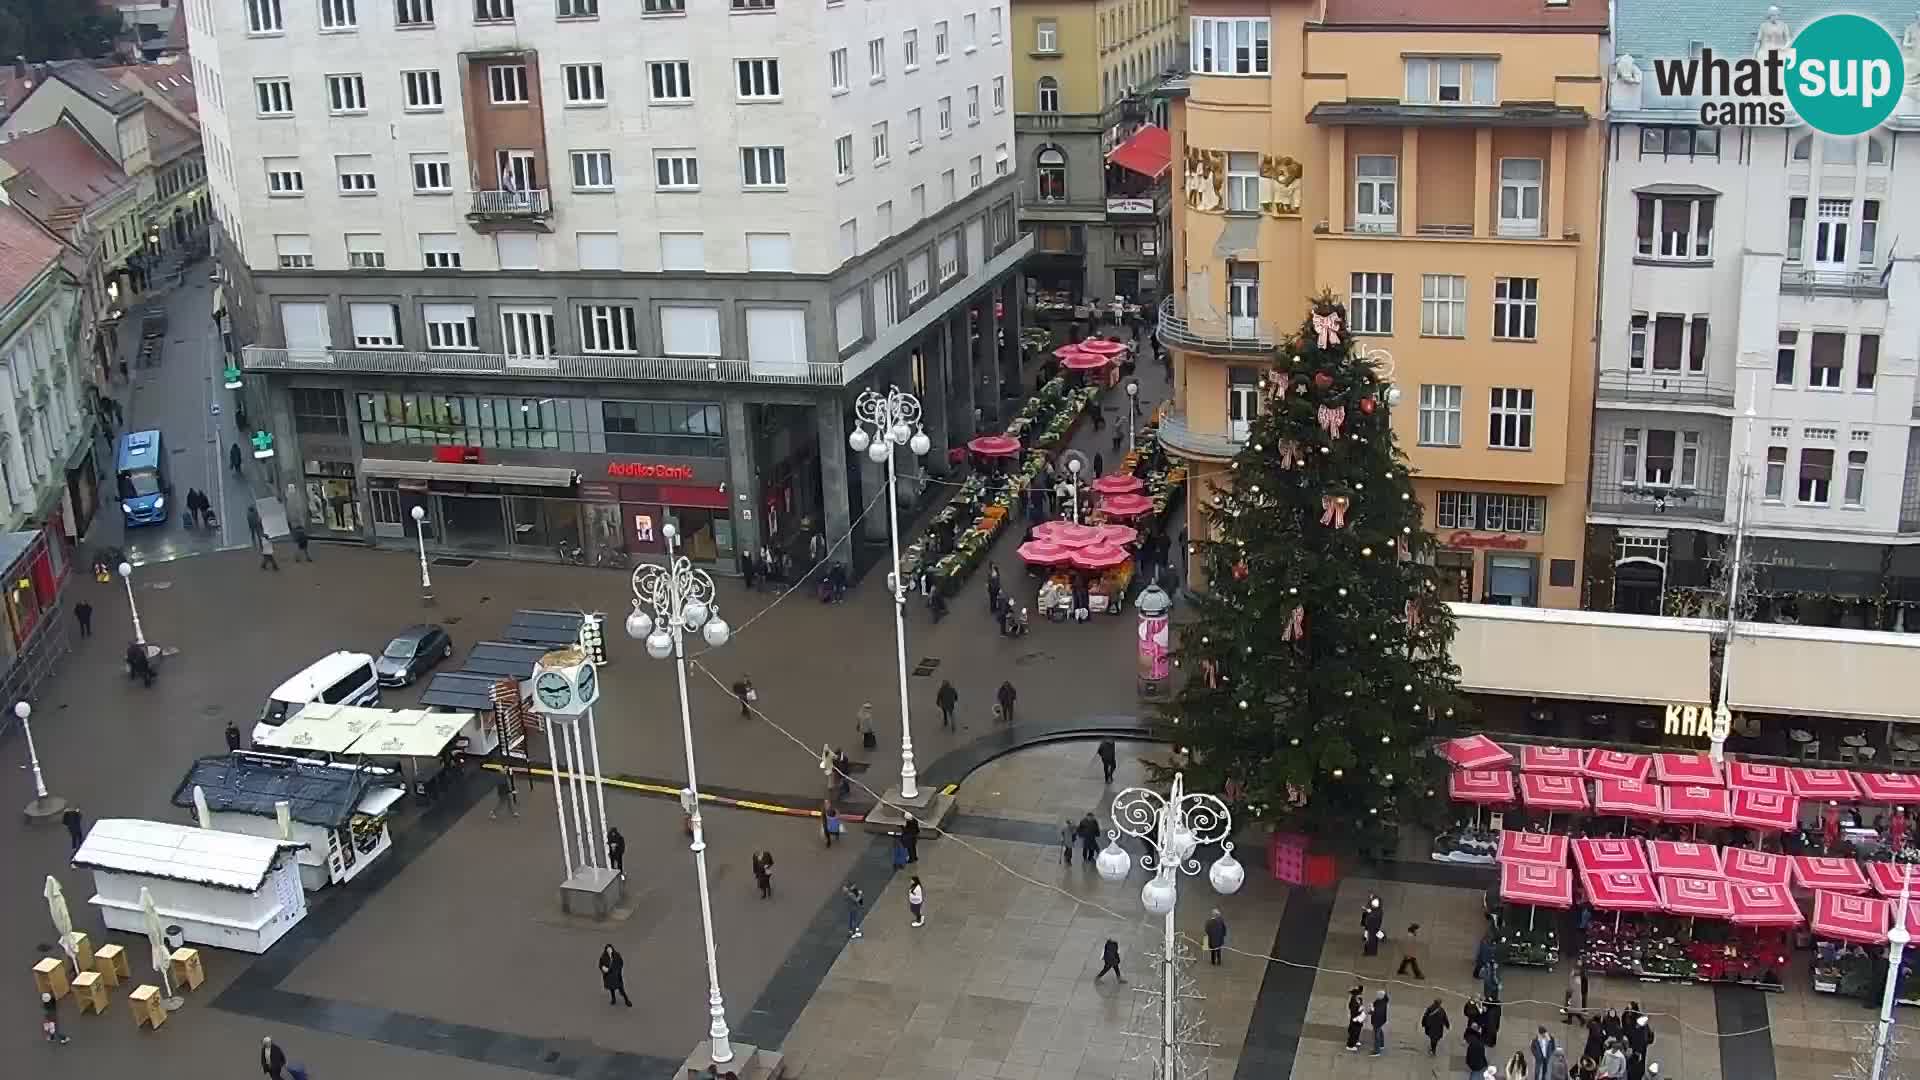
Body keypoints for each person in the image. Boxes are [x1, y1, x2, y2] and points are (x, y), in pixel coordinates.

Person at [1369, 990, 1390, 1056]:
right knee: (1380, 1031)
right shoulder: (1383, 1001)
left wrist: (1372, 1009)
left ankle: (1376, 1051)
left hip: (1377, 1021)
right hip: (1381, 1021)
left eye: (1377, 995)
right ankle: (1381, 1045)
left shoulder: (1380, 1003)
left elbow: (1376, 1013)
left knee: (1376, 1035)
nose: (1376, 996)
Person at [1344, 986, 1365, 1051]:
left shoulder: (1359, 999)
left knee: (1357, 1030)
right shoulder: (1353, 1001)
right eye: (1359, 994)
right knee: (1353, 1031)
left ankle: (1355, 1040)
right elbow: (1353, 1010)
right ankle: (1350, 1045)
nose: (1360, 995)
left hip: (1359, 1018)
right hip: (1355, 1018)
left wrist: (1361, 1009)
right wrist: (1359, 1010)